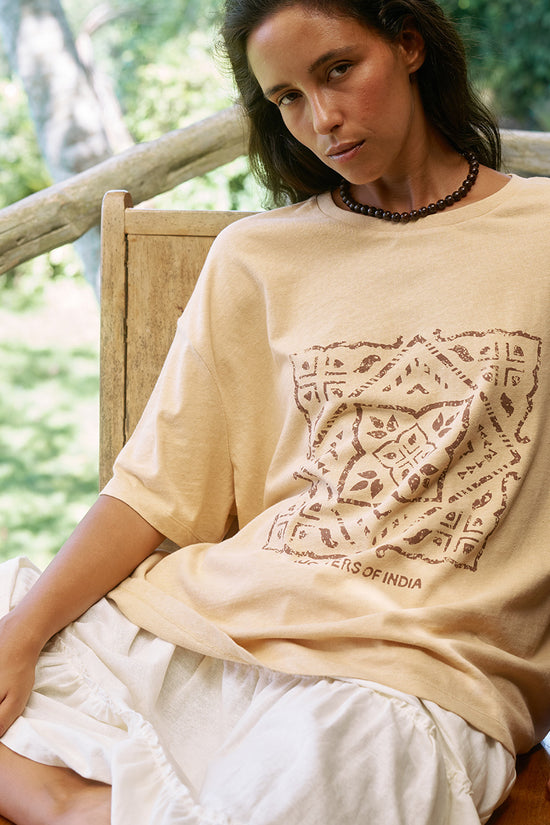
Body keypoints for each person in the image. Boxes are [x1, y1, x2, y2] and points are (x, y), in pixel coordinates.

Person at [0, 0, 549, 822]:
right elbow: (152, 488)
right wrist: (21, 634)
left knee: (320, 780)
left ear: (407, 44)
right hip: (215, 625)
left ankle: (79, 807)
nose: (322, 119)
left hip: (409, 673)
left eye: (337, 70)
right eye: (288, 97)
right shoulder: (256, 256)